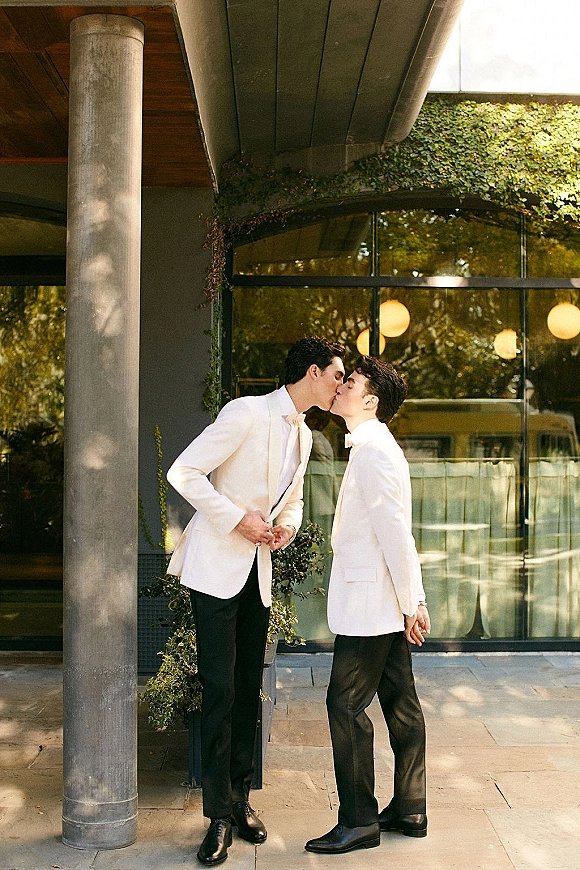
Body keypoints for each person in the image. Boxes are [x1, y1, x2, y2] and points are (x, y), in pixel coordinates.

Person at [167, 336, 346, 866]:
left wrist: (286, 526)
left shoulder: (307, 437)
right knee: (219, 688)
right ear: (314, 373)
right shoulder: (245, 413)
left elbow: (289, 501)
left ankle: (241, 800)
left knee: (248, 687)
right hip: (215, 567)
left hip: (258, 573)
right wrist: (235, 518)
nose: (341, 386)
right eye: (338, 376)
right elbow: (183, 471)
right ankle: (218, 816)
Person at [305, 355, 430, 856]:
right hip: (379, 602)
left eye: (350, 383)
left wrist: (410, 602)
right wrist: (410, 600)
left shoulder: (374, 451)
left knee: (345, 705)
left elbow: (395, 534)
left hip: (371, 605)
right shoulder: (374, 448)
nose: (340, 387)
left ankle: (359, 820)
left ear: (370, 400)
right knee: (401, 706)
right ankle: (410, 807)